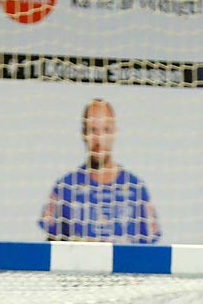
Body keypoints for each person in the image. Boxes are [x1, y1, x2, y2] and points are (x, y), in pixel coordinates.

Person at [38, 98, 161, 243]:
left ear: (114, 132)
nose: (99, 139)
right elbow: (51, 246)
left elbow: (149, 251)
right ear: (83, 133)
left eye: (106, 130)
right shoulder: (65, 187)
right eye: (92, 130)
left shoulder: (136, 189)